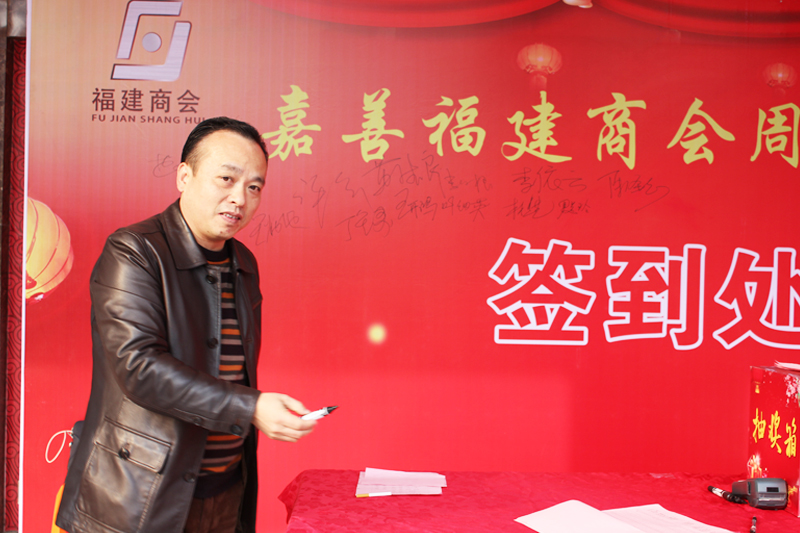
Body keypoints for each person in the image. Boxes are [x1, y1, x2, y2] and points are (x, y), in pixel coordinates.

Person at [55, 117, 317, 533]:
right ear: (184, 176)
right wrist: (250, 407)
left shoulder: (243, 263)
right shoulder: (134, 251)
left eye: (254, 187)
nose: (239, 198)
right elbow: (139, 367)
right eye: (226, 179)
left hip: (226, 491)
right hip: (140, 497)